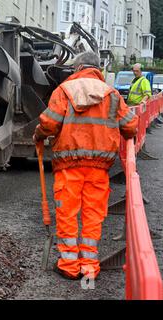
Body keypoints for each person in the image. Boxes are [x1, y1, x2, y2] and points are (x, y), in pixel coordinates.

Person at [33, 52, 138, 280]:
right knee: (93, 215)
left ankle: (69, 265)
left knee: (67, 214)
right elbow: (130, 126)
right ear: (97, 68)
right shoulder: (112, 95)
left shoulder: (64, 91)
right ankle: (89, 267)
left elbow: (49, 124)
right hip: (99, 168)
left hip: (68, 166)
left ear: (78, 67)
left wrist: (39, 134)